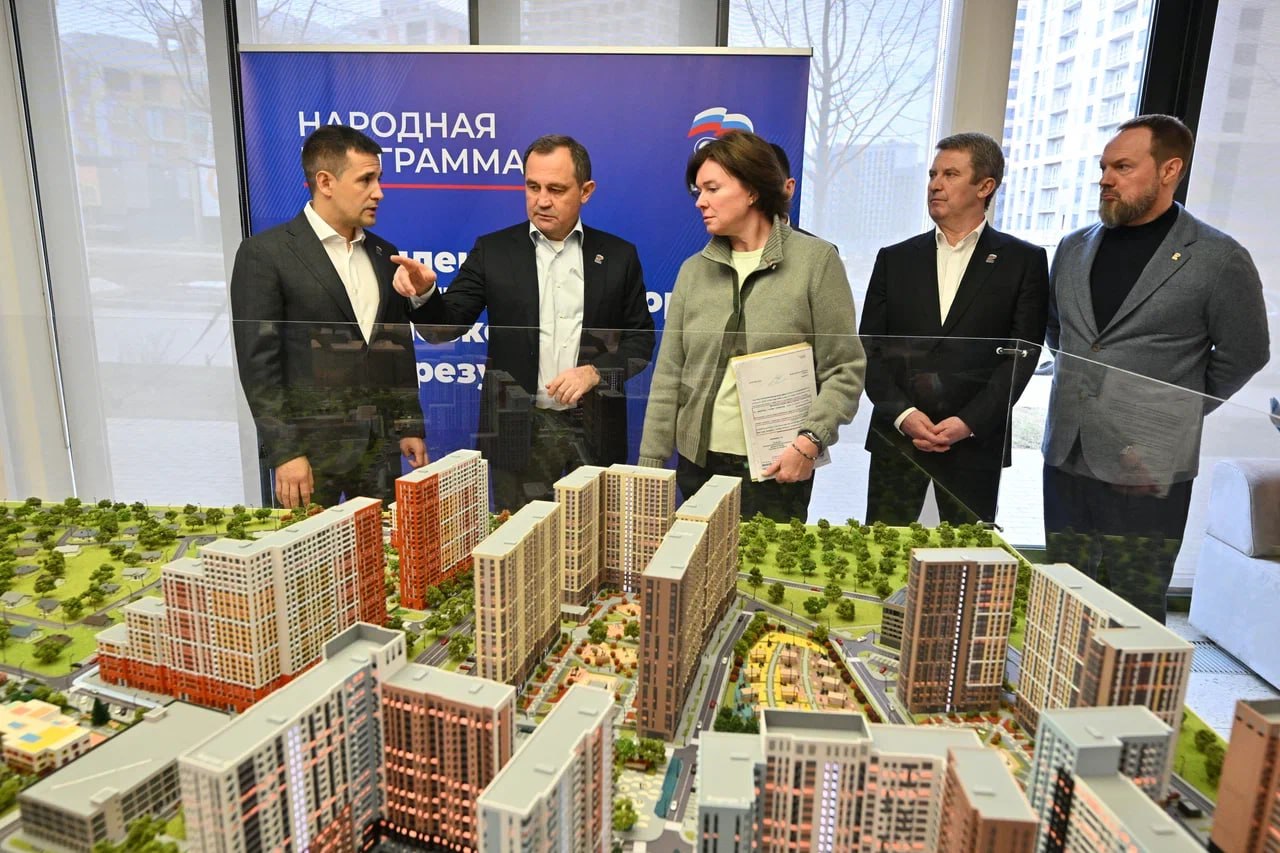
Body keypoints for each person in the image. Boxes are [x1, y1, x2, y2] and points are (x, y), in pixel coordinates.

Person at [1042, 114, 1270, 622]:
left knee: (1135, 608)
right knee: (1062, 598)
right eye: (1104, 167)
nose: (1106, 179)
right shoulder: (1073, 248)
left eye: (1122, 167)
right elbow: (1060, 333)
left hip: (1148, 465)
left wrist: (1168, 415)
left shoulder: (1219, 258)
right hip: (1066, 454)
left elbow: (1246, 352)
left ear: (1170, 170)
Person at [391, 135, 654, 511]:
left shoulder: (618, 256)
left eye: (556, 189)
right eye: (533, 187)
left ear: (586, 191)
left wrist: (596, 372)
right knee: (518, 540)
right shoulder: (494, 251)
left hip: (594, 432)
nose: (542, 200)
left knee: (593, 539)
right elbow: (444, 327)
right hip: (516, 433)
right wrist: (424, 294)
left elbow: (640, 342)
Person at [638, 131, 865, 522]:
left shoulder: (816, 261)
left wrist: (811, 441)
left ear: (753, 191)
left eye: (712, 189)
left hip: (780, 466)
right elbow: (669, 373)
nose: (700, 201)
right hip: (699, 465)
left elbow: (845, 370)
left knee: (766, 563)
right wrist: (651, 464)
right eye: (698, 191)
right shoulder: (693, 271)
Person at [230, 125, 430, 509]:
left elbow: (396, 348)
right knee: (305, 549)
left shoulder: (384, 253)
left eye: (379, 179)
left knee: (382, 547)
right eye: (366, 180)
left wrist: (408, 425)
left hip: (379, 453)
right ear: (325, 182)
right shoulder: (266, 255)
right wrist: (286, 452)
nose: (379, 192)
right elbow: (259, 369)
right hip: (308, 457)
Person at [859, 132, 1048, 525]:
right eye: (933, 174)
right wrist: (903, 414)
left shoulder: (1023, 261)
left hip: (976, 442)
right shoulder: (895, 259)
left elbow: (1022, 357)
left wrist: (969, 422)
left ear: (985, 186)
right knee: (881, 551)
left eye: (950, 174)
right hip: (898, 437)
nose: (935, 184)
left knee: (966, 555)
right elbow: (869, 349)